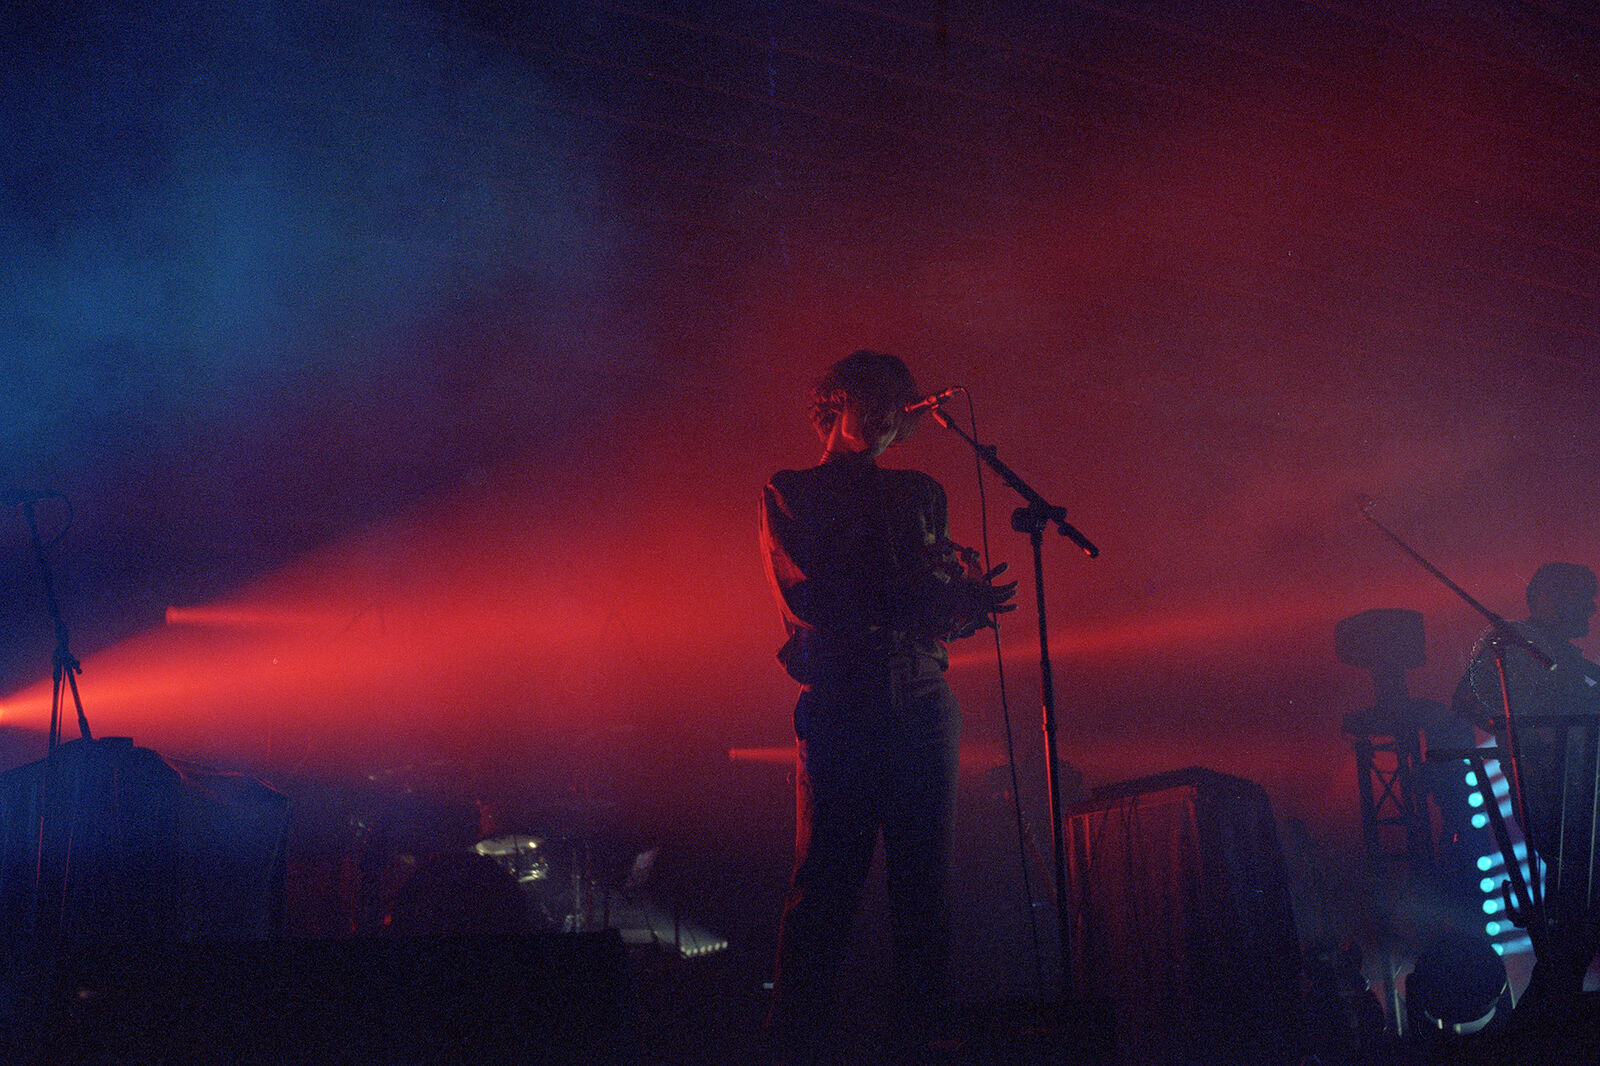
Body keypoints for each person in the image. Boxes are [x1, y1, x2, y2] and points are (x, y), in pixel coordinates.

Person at [757, 350, 1016, 1065]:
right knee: (826, 887)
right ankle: (793, 1048)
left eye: (893, 404)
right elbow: (812, 599)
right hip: (845, 702)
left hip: (924, 699)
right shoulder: (791, 490)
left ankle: (920, 1044)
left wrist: (966, 606)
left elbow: (932, 609)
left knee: (924, 890)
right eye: (866, 399)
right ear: (833, 403)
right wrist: (925, 599)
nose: (881, 415)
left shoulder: (922, 492)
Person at [1454, 562, 1600, 1025]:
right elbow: (1468, 699)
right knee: (1576, 922)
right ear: (1551, 597)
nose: (1592, 607)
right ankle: (1542, 1027)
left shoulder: (1561, 657)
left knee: (1576, 929)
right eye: (1584, 596)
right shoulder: (1513, 643)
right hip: (1558, 802)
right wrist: (1523, 734)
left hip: (1581, 801)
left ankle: (1544, 1023)